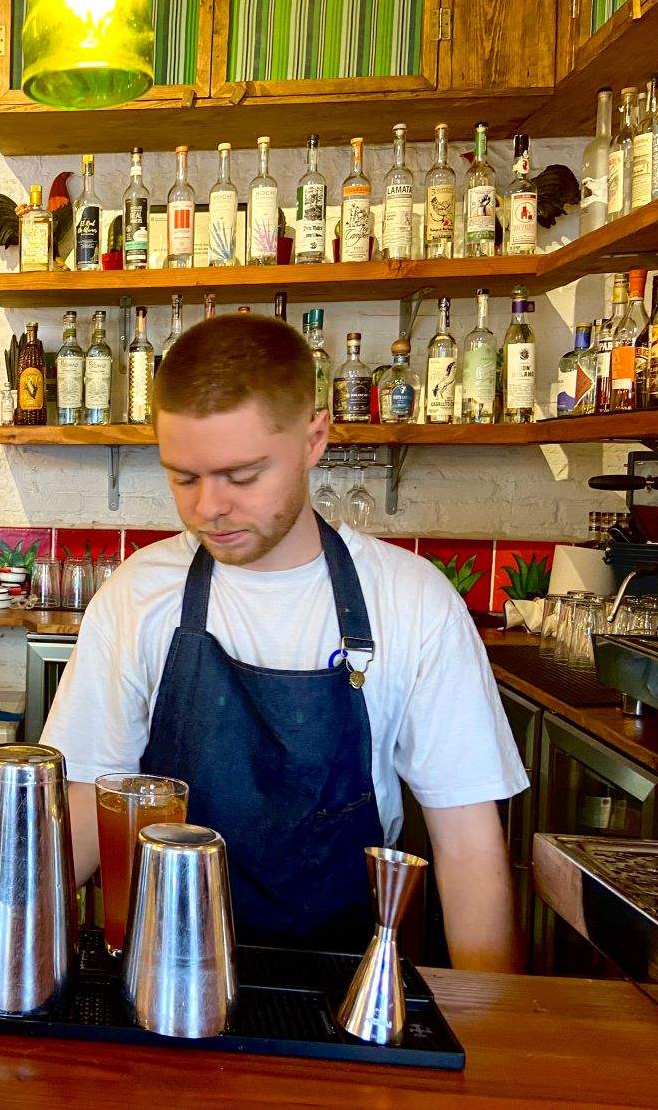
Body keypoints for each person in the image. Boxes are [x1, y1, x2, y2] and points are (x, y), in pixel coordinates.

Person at [42, 315, 526, 972]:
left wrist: (493, 1035)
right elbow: (82, 812)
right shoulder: (137, 597)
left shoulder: (413, 603)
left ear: (314, 438)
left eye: (241, 476)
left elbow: (468, 847)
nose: (209, 505)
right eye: (183, 476)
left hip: (345, 996)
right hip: (158, 986)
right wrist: (8, 946)